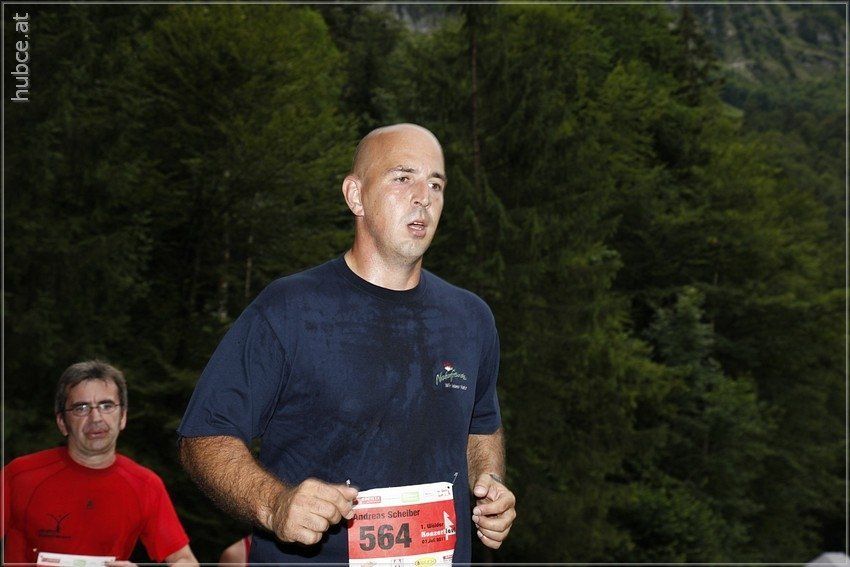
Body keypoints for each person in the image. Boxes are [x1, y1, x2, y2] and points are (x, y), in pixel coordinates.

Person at [178, 123, 516, 563]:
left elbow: (481, 426)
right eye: (403, 178)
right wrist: (274, 504)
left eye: (436, 184)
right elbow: (204, 436)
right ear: (355, 196)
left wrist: (490, 485)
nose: (423, 197)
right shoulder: (289, 309)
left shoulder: (471, 318)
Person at [2, 360, 199, 567]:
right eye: (81, 408)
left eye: (107, 406)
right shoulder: (20, 475)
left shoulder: (145, 485)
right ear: (62, 423)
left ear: (122, 417)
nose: (96, 418)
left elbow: (186, 561)